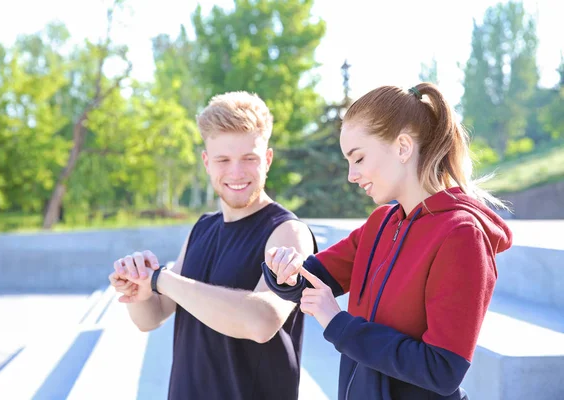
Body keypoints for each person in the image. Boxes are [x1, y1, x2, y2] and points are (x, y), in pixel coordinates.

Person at [262, 83, 513, 400]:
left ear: (403, 147)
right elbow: (308, 279)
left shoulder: (460, 235)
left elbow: (442, 369)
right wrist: (283, 268)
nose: (351, 175)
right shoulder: (381, 224)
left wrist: (338, 323)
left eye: (359, 158)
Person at [108, 91, 317, 400]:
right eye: (223, 160)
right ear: (207, 162)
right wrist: (140, 291)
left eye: (249, 158)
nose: (236, 172)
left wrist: (161, 279)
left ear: (268, 159)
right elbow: (151, 318)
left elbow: (262, 322)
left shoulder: (288, 232)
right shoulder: (202, 228)